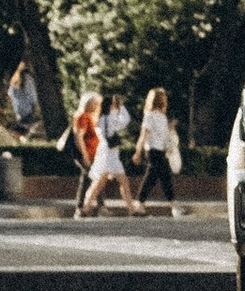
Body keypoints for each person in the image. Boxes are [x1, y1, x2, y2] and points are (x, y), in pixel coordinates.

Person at [76, 91, 137, 219]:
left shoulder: (100, 119)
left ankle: (85, 208)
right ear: (111, 106)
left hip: (103, 152)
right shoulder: (111, 118)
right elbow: (125, 120)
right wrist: (121, 106)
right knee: (122, 181)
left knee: (99, 182)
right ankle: (131, 209)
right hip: (111, 154)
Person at [135, 83, 181, 206]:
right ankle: (173, 205)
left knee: (153, 177)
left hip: (160, 150)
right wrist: (138, 152)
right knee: (163, 177)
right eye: (162, 97)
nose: (165, 99)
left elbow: (163, 136)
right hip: (153, 150)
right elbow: (144, 134)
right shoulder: (149, 115)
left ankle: (140, 203)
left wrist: (170, 128)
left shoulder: (162, 116)